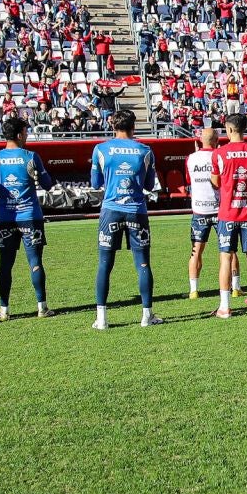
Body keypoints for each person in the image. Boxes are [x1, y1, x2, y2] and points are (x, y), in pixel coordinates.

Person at [89, 107, 163, 328]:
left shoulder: (100, 149)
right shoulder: (145, 151)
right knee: (142, 263)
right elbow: (150, 185)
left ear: (112, 125)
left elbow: (95, 183)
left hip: (110, 210)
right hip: (136, 211)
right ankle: (146, 315)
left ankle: (101, 319)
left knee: (104, 264)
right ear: (134, 127)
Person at [0, 117, 55, 320]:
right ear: (19, 134)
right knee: (35, 261)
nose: (27, 135)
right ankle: (42, 307)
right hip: (30, 217)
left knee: (5, 264)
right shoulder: (31, 157)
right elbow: (47, 184)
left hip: (5, 218)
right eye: (26, 132)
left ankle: (4, 310)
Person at [210, 113, 247, 318]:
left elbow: (215, 182)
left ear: (229, 129)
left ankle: (225, 307)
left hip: (227, 214)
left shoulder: (219, 153)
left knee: (225, 258)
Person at [184, 124, 219, 298]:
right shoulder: (219, 156)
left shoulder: (190, 158)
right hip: (220, 209)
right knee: (229, 251)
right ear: (217, 141)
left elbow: (188, 180)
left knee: (196, 250)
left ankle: (193, 290)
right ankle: (235, 287)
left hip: (199, 209)